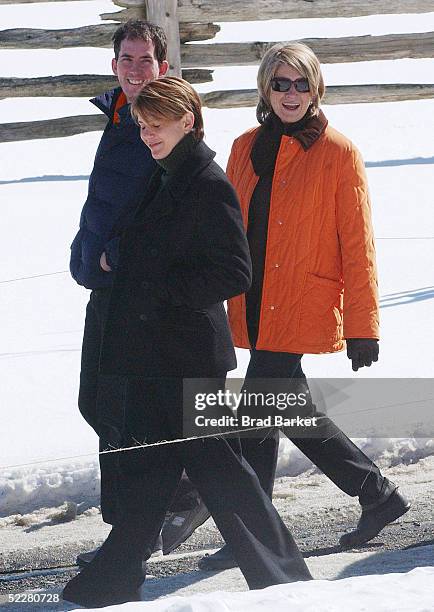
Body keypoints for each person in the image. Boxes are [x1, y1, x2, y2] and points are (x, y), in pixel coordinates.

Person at [62, 76, 313, 608]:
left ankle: (286, 579)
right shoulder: (165, 175)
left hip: (188, 355)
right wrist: (119, 256)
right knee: (154, 469)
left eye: (155, 126)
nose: (147, 135)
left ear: (186, 122)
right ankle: (115, 576)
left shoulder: (207, 183)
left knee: (219, 468)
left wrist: (155, 284)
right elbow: (157, 243)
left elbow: (233, 272)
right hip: (158, 353)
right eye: (141, 126)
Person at [197, 42, 410, 570]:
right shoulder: (245, 146)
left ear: (316, 88)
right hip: (252, 298)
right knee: (280, 407)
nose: (290, 94)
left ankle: (252, 531)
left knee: (255, 410)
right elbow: (226, 229)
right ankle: (376, 494)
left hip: (302, 300)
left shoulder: (339, 152)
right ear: (265, 90)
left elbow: (359, 246)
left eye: (301, 83)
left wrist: (364, 325)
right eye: (280, 83)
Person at [69, 19, 206, 565]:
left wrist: (121, 256)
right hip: (104, 287)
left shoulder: (163, 124)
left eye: (144, 60)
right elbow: (108, 201)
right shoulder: (119, 118)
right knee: (97, 403)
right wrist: (84, 251)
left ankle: (133, 530)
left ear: (163, 67)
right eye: (125, 59)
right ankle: (178, 498)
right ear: (113, 66)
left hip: (138, 296)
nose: (133, 69)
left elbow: (175, 210)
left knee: (124, 413)